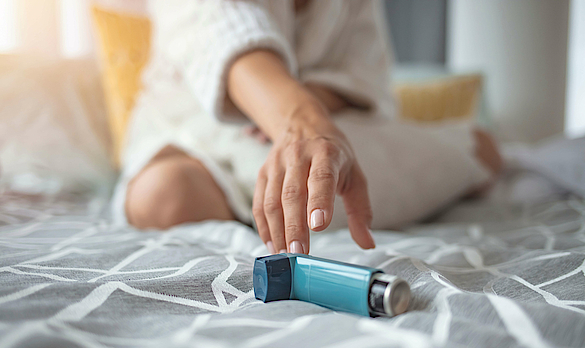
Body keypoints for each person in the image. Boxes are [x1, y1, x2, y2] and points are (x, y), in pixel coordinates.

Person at [114, 0, 502, 255]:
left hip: (326, 125)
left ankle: (274, 198)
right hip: (194, 130)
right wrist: (298, 120)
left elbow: (365, 79)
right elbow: (226, 37)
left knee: (479, 150)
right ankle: (256, 206)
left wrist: (312, 107)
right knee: (163, 195)